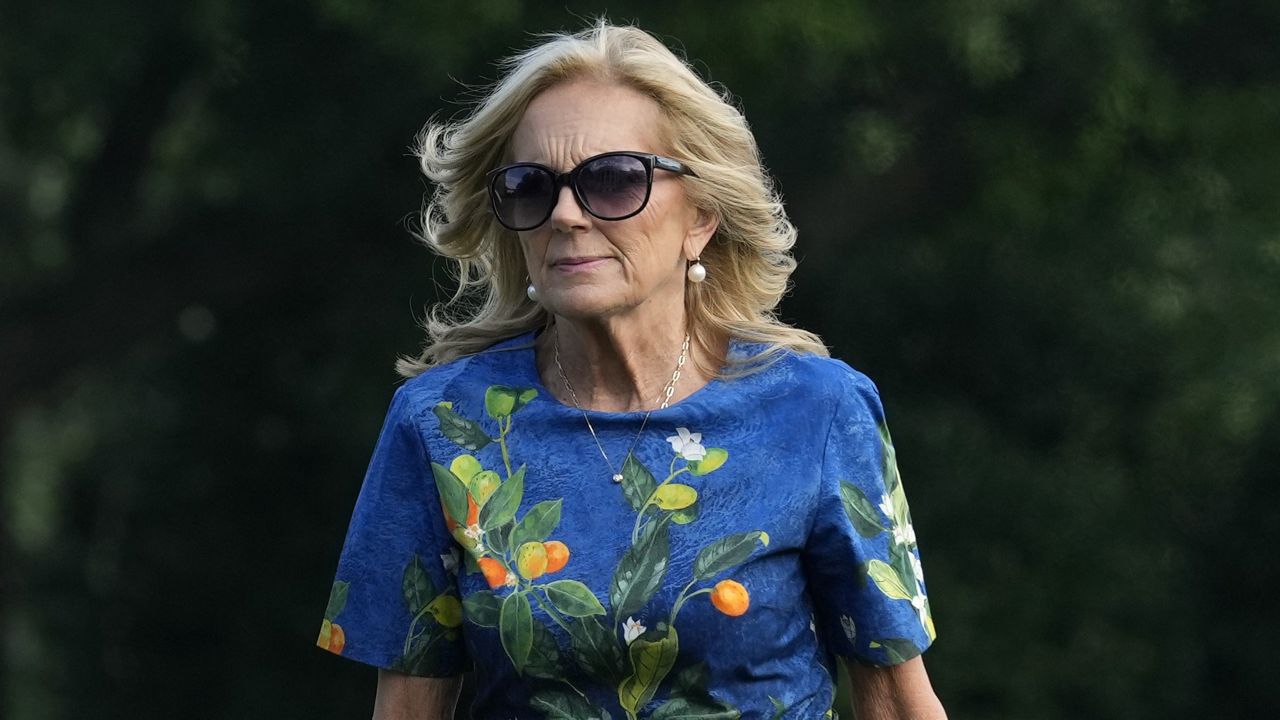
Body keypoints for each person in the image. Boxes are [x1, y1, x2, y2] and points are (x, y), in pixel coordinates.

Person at [317, 21, 947, 720]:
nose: (563, 214)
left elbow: (896, 701)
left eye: (612, 181)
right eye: (530, 187)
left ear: (701, 215)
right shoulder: (443, 426)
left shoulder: (818, 413)